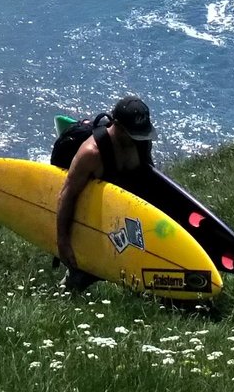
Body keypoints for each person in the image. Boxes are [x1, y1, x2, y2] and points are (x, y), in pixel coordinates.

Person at [54, 96, 158, 291]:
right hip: (95, 220)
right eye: (133, 133)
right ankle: (69, 285)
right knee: (81, 277)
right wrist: (63, 241)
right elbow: (67, 195)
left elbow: (149, 178)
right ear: (116, 125)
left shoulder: (141, 142)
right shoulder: (92, 153)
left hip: (129, 216)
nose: (138, 138)